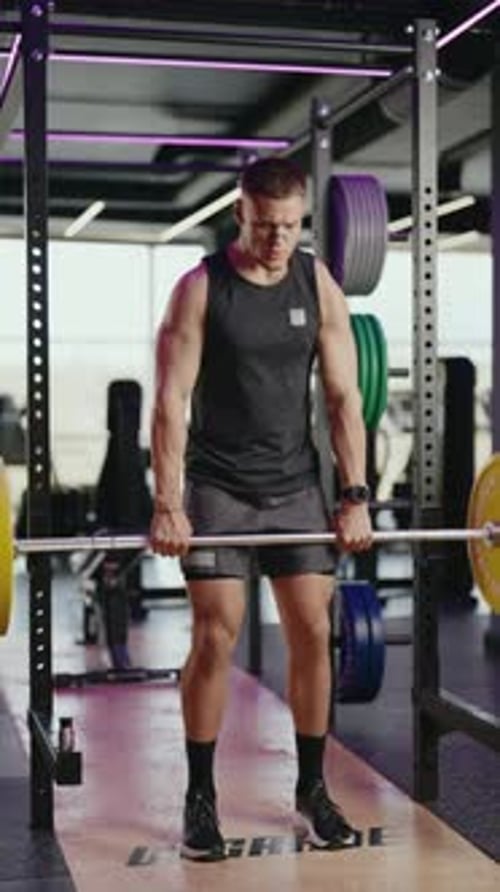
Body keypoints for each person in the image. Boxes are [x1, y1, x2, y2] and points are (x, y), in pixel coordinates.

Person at [149, 156, 373, 862]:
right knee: (216, 637)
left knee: (312, 630)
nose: (278, 240)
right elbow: (169, 404)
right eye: (264, 225)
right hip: (217, 489)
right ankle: (200, 798)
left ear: (302, 218)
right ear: (239, 214)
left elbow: (343, 398)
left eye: (290, 226)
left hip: (296, 487)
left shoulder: (318, 282)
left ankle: (312, 788)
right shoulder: (200, 288)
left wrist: (355, 495)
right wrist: (167, 502)